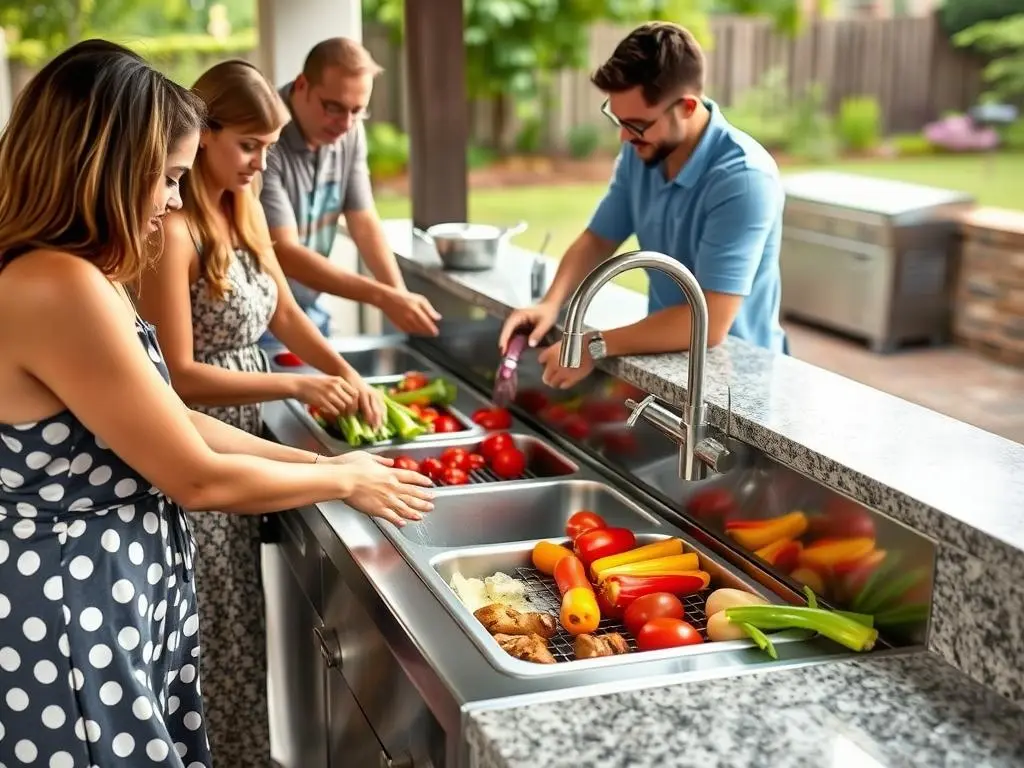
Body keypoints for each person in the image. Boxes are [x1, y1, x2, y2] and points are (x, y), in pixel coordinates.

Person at [0, 40, 432, 768]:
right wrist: (344, 480)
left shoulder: (74, 272)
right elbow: (195, 476)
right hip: (72, 624)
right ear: (105, 167)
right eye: (166, 177)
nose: (173, 198)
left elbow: (170, 415)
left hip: (108, 608)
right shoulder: (55, 287)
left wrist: (312, 459)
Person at [134, 58, 388, 766]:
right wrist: (296, 387)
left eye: (269, 148)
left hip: (251, 436)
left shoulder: (238, 210)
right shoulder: (173, 230)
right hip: (203, 446)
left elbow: (282, 311)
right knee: (219, 632)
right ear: (204, 132)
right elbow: (178, 376)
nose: (258, 163)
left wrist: (339, 371)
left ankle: (248, 754)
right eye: (248, 145)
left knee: (245, 620)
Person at [498, 22, 788, 389]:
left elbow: (710, 322)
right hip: (666, 359)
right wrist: (551, 303)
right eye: (617, 119)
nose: (623, 136)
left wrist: (593, 346)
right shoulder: (642, 152)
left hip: (740, 385)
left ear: (685, 107)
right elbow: (598, 239)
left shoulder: (743, 179)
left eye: (635, 124)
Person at [259, 36, 442, 342]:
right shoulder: (266, 135)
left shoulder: (350, 131)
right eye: (334, 107)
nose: (346, 123)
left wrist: (399, 296)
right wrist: (382, 297)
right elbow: (286, 253)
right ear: (302, 84)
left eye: (358, 111)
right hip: (262, 316)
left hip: (310, 307)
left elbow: (364, 221)